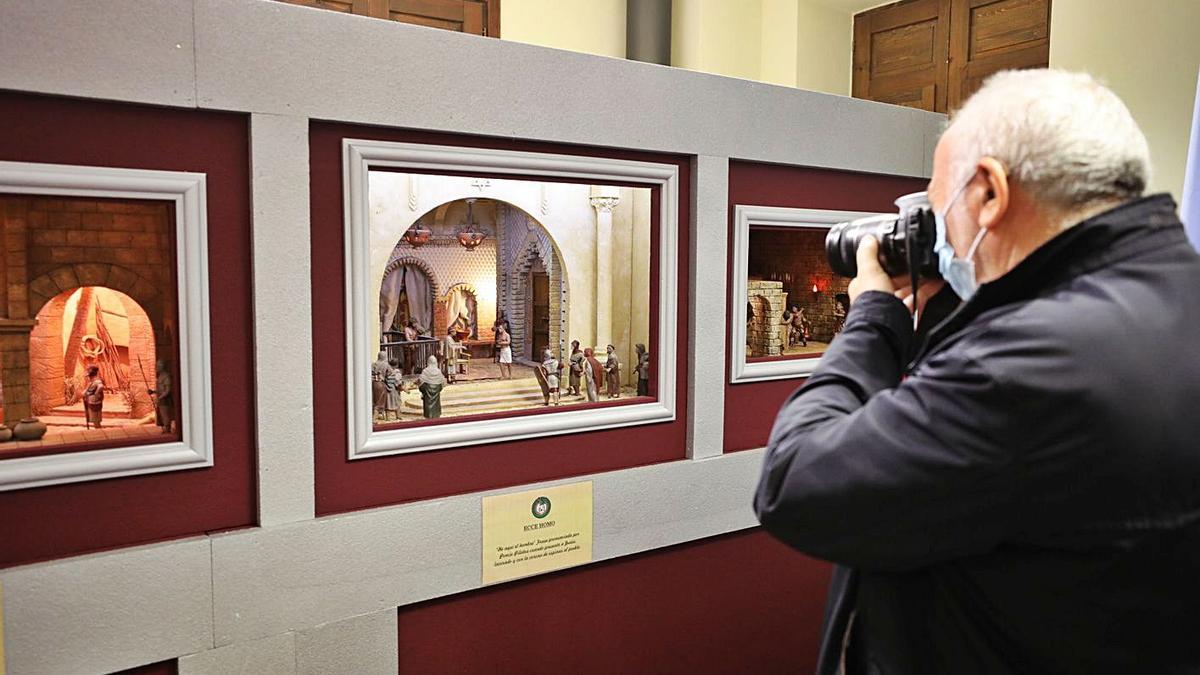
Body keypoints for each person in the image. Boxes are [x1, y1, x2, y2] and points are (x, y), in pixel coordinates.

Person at [754, 69, 1200, 674]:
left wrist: (870, 318)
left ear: (989, 193)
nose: (940, 242)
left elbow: (793, 481)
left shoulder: (1032, 365)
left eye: (939, 213)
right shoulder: (1169, 300)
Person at [147, 359, 173, 434]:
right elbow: (160, 389)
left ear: (161, 367)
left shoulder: (166, 377)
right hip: (161, 398)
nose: (156, 368)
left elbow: (167, 390)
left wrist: (160, 398)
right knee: (162, 414)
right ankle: (165, 429)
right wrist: (153, 392)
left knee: (165, 415)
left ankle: (168, 430)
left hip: (165, 399)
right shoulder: (160, 376)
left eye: (157, 366)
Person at [416, 355, 445, 419]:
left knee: (427, 402)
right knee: (436, 402)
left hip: (427, 388)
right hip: (437, 388)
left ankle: (428, 415)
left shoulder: (425, 371)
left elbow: (421, 381)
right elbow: (442, 381)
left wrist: (422, 389)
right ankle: (436, 414)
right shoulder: (438, 371)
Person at [371, 350, 389, 418]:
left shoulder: (373, 364)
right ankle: (377, 414)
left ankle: (375, 413)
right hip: (381, 383)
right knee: (380, 399)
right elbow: (390, 373)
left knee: (374, 398)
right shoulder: (386, 365)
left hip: (373, 383)